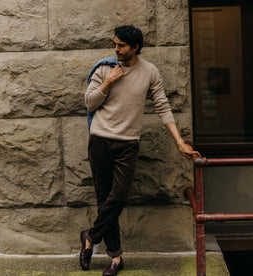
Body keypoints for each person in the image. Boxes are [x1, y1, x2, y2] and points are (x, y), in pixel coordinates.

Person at [80, 25, 200, 276]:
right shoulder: (104, 68)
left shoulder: (150, 72)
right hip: (100, 140)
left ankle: (90, 237)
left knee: (119, 197)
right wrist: (109, 82)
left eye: (121, 45)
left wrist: (179, 142)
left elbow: (163, 106)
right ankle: (116, 258)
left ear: (135, 47)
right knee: (105, 200)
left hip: (127, 144)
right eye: (115, 44)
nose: (116, 49)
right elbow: (89, 102)